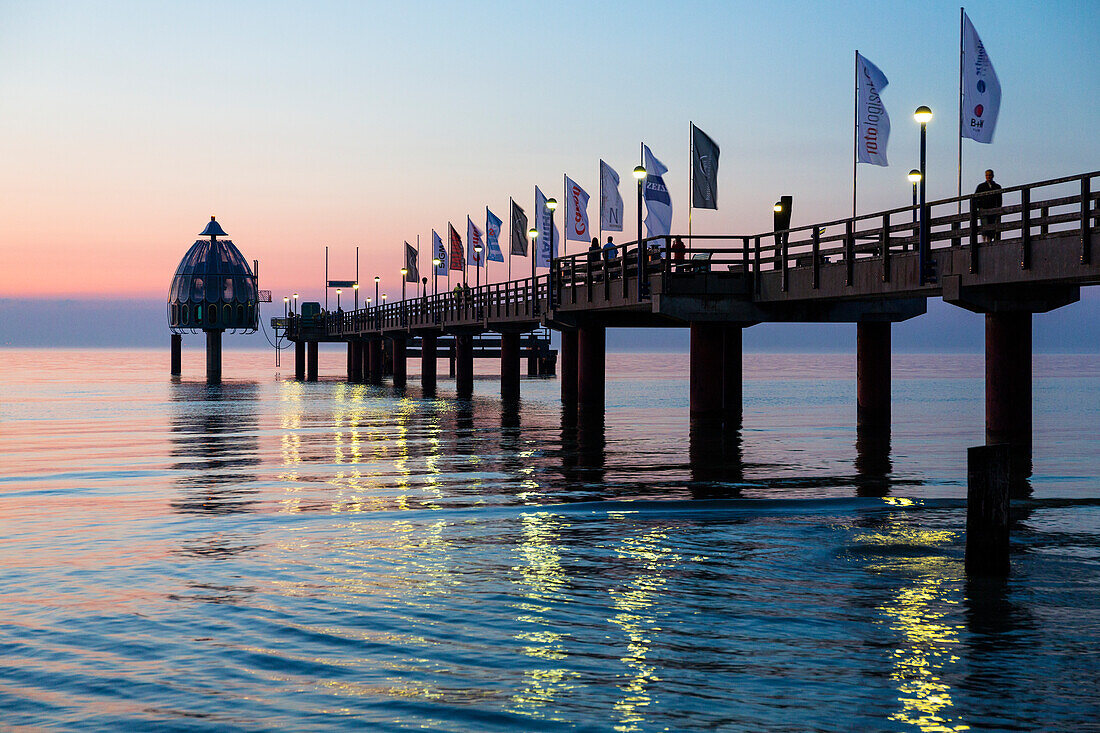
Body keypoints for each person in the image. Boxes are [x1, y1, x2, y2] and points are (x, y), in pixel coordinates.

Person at [974, 169, 1003, 242]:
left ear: (993, 176)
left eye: (989, 175)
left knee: (992, 225)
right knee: (984, 225)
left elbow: (999, 199)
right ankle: (984, 240)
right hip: (984, 209)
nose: (988, 176)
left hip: (993, 209)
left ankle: (990, 240)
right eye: (987, 175)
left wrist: (999, 208)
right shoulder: (981, 186)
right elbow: (975, 198)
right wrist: (979, 207)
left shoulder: (997, 186)